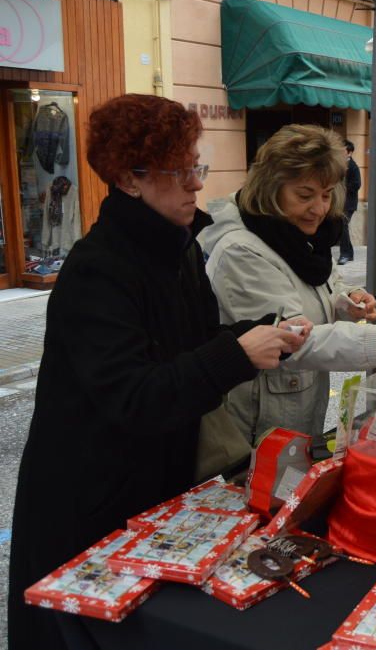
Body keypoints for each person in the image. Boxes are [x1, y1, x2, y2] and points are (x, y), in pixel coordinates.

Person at [7, 94, 308, 650]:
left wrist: (262, 331)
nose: (196, 184)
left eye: (197, 165)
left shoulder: (180, 248)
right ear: (129, 179)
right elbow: (136, 395)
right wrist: (236, 354)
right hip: (89, 499)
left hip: (155, 485)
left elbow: (189, 348)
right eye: (180, 171)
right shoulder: (97, 270)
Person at [199, 125, 376, 443]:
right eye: (305, 195)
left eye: (326, 194)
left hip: (295, 408)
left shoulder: (294, 234)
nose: (319, 208)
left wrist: (348, 301)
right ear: (270, 189)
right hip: (259, 425)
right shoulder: (241, 250)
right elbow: (292, 338)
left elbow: (324, 285)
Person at [337, 139, 361, 265]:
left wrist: (344, 187)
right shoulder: (339, 165)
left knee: (342, 225)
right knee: (342, 226)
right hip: (339, 202)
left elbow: (357, 184)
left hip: (349, 203)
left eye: (343, 150)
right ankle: (349, 253)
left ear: (349, 152)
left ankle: (345, 254)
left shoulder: (353, 167)